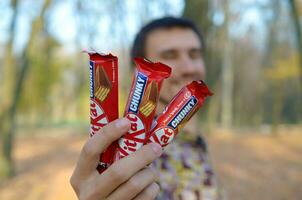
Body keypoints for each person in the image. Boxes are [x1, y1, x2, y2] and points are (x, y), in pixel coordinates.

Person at [70, 17, 220, 200]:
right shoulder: (117, 151)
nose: (188, 67)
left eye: (194, 54)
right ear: (137, 71)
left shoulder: (196, 140)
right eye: (170, 55)